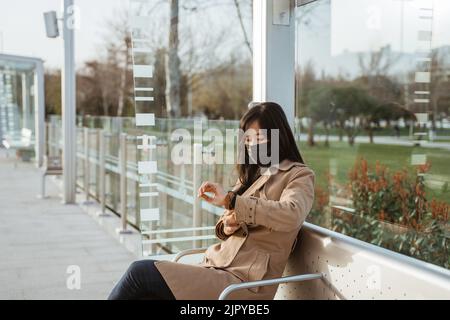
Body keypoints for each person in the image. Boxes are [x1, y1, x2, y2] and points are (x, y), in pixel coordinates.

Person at [108, 102, 315, 300]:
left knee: (140, 272)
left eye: (258, 137)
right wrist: (227, 225)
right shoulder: (252, 176)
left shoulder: (298, 175)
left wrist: (231, 200)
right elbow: (223, 227)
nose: (252, 145)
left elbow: (291, 213)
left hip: (245, 282)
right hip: (217, 266)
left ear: (278, 136)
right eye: (248, 140)